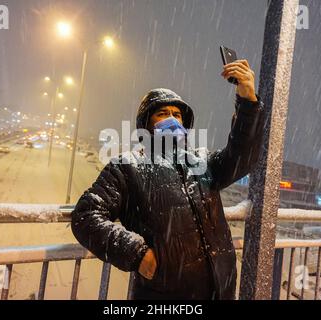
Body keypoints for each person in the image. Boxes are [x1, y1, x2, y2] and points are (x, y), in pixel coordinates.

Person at [71, 59, 265, 300]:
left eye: (177, 114)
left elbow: (242, 156)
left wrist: (248, 101)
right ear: (146, 123)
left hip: (222, 291)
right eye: (162, 113)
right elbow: (85, 216)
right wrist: (136, 253)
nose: (172, 118)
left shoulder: (200, 162)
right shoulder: (127, 166)